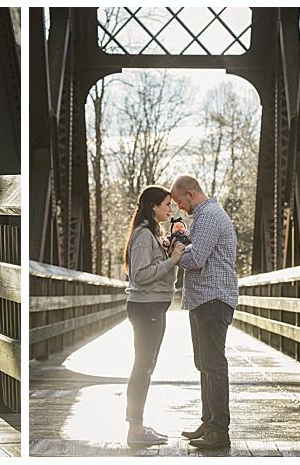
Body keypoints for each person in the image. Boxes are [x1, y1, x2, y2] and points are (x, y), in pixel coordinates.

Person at [171, 175, 238, 449]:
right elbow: (196, 250)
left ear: (190, 194)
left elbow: (196, 259)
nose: (179, 207)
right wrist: (180, 245)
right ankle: (209, 423)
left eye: (179, 201)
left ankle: (220, 431)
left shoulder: (209, 216)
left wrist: (173, 254)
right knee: (204, 363)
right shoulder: (202, 216)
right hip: (203, 299)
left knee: (214, 364)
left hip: (213, 298)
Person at [121, 186, 186, 445]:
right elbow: (140, 275)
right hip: (146, 307)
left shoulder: (151, 234)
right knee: (143, 367)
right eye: (167, 204)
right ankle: (135, 430)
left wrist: (167, 252)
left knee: (145, 366)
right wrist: (173, 260)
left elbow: (149, 268)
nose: (171, 209)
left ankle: (137, 426)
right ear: (153, 207)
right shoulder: (143, 235)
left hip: (152, 307)